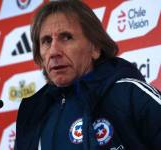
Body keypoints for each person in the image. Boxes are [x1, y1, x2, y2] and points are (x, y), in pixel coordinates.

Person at [15, 0, 161, 150]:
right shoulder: (33, 114)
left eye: (66, 37)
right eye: (46, 41)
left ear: (95, 47)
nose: (53, 51)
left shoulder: (128, 93)